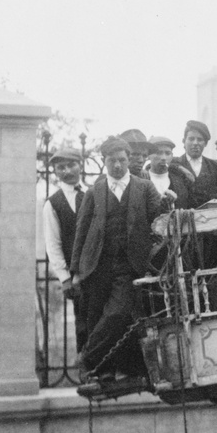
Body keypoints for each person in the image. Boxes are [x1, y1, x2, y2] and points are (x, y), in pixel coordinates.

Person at [69, 136, 165, 384]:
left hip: (129, 263)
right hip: (97, 264)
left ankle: (87, 358)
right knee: (97, 315)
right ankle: (103, 371)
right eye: (113, 161)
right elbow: (82, 229)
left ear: (128, 159)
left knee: (117, 313)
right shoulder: (95, 190)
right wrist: (75, 270)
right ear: (104, 162)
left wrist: (169, 201)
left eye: (122, 160)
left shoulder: (143, 187)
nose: (118, 166)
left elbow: (160, 213)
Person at [41, 147, 88, 353]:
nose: (67, 171)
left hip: (103, 269)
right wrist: (65, 278)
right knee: (83, 322)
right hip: (76, 273)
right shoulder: (53, 204)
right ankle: (89, 371)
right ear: (55, 171)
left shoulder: (95, 193)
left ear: (81, 165)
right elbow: (53, 244)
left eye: (71, 165)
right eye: (61, 167)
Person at [175, 120, 217, 207]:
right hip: (184, 217)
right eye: (191, 139)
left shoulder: (215, 167)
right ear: (184, 141)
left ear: (205, 143)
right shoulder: (175, 164)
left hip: (209, 217)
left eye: (200, 139)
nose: (195, 143)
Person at [144, 136, 191, 210]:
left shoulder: (180, 181)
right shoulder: (142, 179)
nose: (163, 158)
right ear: (149, 156)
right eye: (158, 153)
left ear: (172, 156)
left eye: (167, 153)